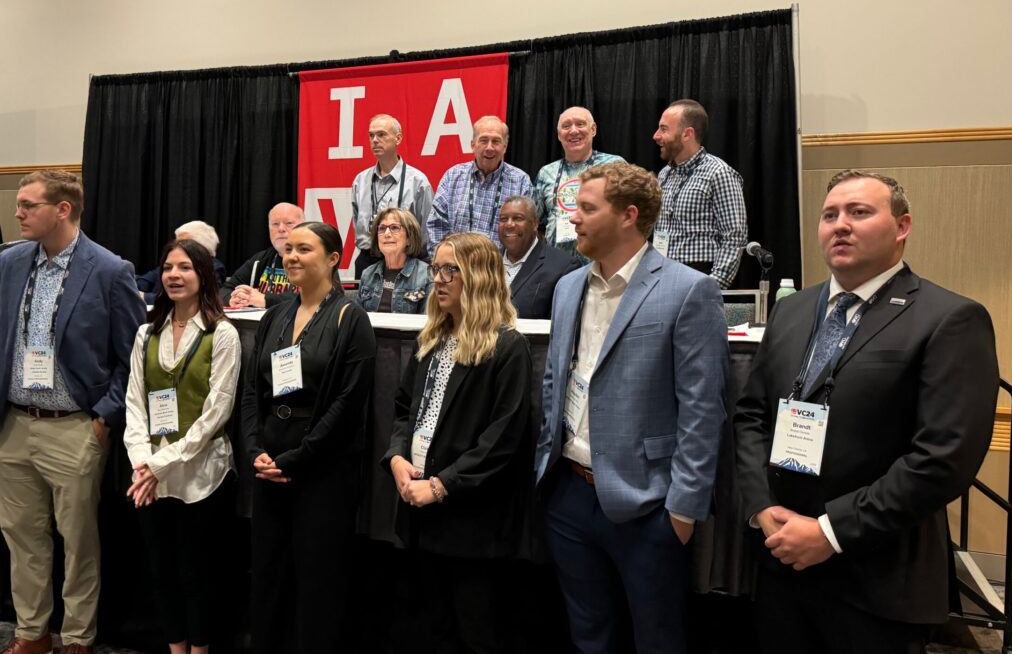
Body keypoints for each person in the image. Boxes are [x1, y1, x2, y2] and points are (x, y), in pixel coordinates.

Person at [734, 170, 999, 654]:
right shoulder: (792, 311)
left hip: (876, 576)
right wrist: (760, 507)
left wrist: (829, 532)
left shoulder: (949, 319)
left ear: (902, 226)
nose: (840, 225)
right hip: (781, 559)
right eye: (829, 214)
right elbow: (751, 415)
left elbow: (942, 459)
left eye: (859, 212)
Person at [535, 162, 728, 654]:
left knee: (657, 639)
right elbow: (558, 378)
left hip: (648, 504)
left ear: (628, 215)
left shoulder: (688, 290)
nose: (573, 218)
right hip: (569, 494)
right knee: (587, 636)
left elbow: (702, 410)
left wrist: (683, 511)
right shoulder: (567, 287)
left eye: (586, 207)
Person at [0, 170, 146, 654]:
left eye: (28, 205)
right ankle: (32, 632)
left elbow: (131, 356)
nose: (18, 212)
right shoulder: (9, 262)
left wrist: (104, 417)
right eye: (18, 204)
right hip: (15, 423)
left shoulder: (109, 270)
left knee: (79, 540)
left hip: (75, 427)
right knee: (23, 539)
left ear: (63, 209)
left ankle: (79, 636)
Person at [386, 232, 533, 653]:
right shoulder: (431, 339)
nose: (440, 279)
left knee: (474, 631)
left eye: (453, 270)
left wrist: (440, 485)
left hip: (470, 521)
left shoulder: (507, 347)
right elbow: (403, 411)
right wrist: (396, 458)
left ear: (481, 277)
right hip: (418, 511)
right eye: (436, 269)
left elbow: (501, 441)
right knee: (431, 628)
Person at [240, 221, 376, 654]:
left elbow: (348, 402)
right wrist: (256, 449)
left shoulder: (349, 318)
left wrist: (298, 458)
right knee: (268, 578)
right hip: (270, 464)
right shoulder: (276, 314)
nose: (292, 256)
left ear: (334, 259)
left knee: (319, 584)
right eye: (288, 249)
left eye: (305, 249)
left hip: (322, 471)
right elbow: (251, 392)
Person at [123, 238, 241, 654]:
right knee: (162, 572)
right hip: (150, 477)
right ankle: (176, 648)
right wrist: (143, 465)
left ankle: (201, 650)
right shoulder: (145, 334)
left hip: (201, 473)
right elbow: (134, 405)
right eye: (168, 267)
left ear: (203, 275)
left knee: (198, 573)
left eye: (185, 268)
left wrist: (160, 465)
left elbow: (216, 414)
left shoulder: (222, 334)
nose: (174, 275)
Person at [652, 99, 747, 288]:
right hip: (663, 277)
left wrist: (714, 285)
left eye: (664, 129)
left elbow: (734, 236)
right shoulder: (664, 175)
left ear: (687, 134)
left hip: (698, 276)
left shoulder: (719, 173)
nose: (656, 136)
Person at [426, 116, 533, 254]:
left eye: (496, 141)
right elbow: (436, 226)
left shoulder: (521, 182)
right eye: (483, 140)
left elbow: (526, 233)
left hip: (501, 271)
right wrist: (445, 266)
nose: (489, 147)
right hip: (457, 269)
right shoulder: (452, 177)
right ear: (472, 145)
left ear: (504, 147)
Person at [532, 106, 624, 263]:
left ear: (593, 129)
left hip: (603, 265)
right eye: (566, 126)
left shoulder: (615, 166)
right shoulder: (546, 173)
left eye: (580, 124)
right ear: (559, 134)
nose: (573, 131)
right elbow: (536, 223)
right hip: (556, 268)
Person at [350, 114, 434, 279]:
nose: (375, 140)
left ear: (398, 139)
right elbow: (357, 221)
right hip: (367, 260)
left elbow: (426, 231)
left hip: (405, 261)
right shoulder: (360, 180)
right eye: (371, 135)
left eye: (381, 134)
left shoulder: (417, 181)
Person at [498, 196, 577, 319]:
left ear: (535, 223)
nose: (509, 224)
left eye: (518, 218)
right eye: (503, 219)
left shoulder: (563, 267)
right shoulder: (486, 262)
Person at [220, 202, 304, 308]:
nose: (281, 229)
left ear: (303, 227)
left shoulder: (312, 260)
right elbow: (224, 291)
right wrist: (233, 298)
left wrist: (265, 300)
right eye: (275, 224)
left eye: (289, 223)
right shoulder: (259, 260)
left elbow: (315, 296)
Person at [356, 207, 431, 314]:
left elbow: (429, 324)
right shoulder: (368, 274)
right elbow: (358, 322)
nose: (386, 234)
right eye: (382, 228)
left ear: (409, 238)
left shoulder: (427, 275)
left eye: (394, 228)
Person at [136, 220, 227, 304]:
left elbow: (200, 297)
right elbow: (143, 282)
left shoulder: (214, 267)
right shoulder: (171, 263)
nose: (176, 246)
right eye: (168, 268)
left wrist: (145, 297)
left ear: (201, 247)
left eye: (185, 268)